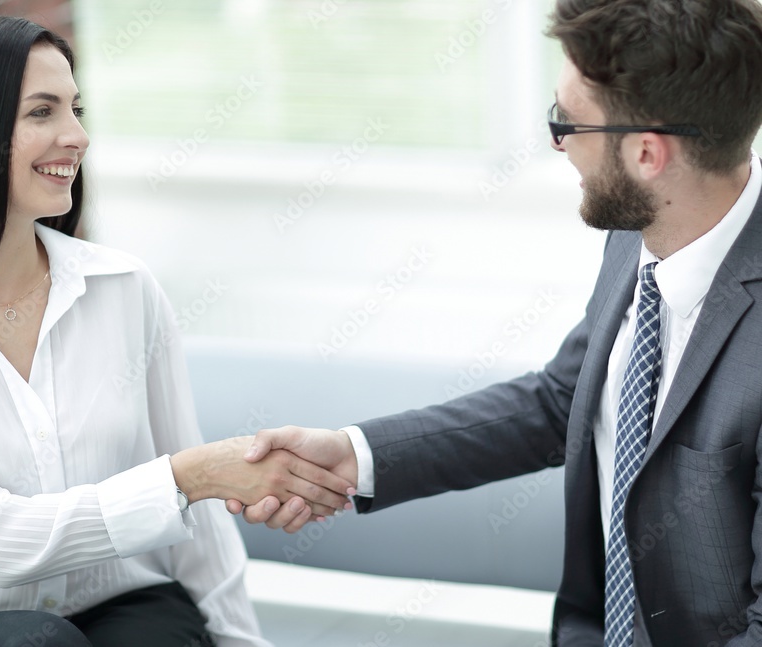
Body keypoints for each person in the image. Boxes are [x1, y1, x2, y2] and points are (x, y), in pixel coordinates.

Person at [229, 0, 762, 645]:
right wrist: (353, 457)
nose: (556, 141)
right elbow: (564, 402)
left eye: (568, 121)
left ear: (648, 153)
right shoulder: (645, 229)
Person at [0, 11, 351, 647]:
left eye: (76, 108)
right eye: (42, 112)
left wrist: (239, 640)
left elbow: (200, 527)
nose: (77, 135)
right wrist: (187, 478)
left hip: (129, 606)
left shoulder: (123, 289)